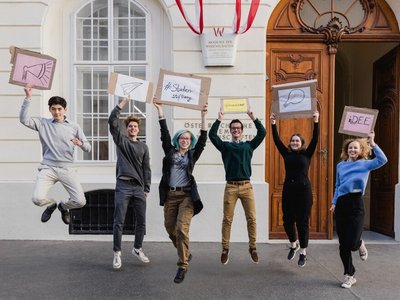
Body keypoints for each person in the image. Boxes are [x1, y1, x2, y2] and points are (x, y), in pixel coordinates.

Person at [19, 86, 91, 225]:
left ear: (65, 110)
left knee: (80, 201)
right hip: (48, 168)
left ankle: (63, 207)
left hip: (66, 168)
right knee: (37, 198)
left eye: (59, 109)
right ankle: (51, 204)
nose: (56, 112)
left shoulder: (74, 127)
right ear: (50, 109)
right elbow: (23, 119)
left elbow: (88, 148)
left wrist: (80, 143)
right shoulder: (42, 123)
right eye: (53, 109)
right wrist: (28, 98)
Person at [154, 98, 208, 284]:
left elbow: (202, 139)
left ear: (189, 141)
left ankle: (182, 265)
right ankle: (186, 252)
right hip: (170, 195)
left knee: (181, 229)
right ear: (178, 140)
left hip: (187, 196)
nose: (185, 141)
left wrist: (203, 115)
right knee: (170, 229)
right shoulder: (170, 151)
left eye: (187, 138)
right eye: (182, 138)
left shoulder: (193, 154)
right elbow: (164, 133)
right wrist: (160, 111)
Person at [209, 108, 266, 265]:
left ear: (242, 130)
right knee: (227, 219)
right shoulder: (225, 146)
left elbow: (262, 133)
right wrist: (219, 119)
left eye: (238, 128)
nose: (236, 130)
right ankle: (225, 248)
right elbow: (212, 136)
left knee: (252, 218)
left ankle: (253, 247)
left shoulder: (249, 146)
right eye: (233, 128)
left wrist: (253, 117)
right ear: (230, 131)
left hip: (247, 186)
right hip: (231, 187)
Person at [330, 132, 387, 288]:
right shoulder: (340, 165)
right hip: (342, 203)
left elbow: (383, 160)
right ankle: (349, 275)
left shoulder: (365, 164)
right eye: (350, 148)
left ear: (360, 150)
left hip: (356, 203)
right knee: (343, 245)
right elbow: (337, 185)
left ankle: (360, 243)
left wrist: (373, 143)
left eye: (355, 148)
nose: (353, 150)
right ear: (346, 150)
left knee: (353, 242)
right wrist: (334, 202)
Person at [270, 111, 319, 267]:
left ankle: (303, 252)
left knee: (302, 222)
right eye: (292, 141)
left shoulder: (307, 154)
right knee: (287, 221)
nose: (295, 142)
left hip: (304, 191)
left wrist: (316, 121)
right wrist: (273, 124)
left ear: (302, 143)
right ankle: (293, 244)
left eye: (297, 141)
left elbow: (316, 139)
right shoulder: (286, 154)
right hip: (289, 191)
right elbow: (277, 141)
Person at [108, 97, 151, 270]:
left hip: (139, 187)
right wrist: (121, 104)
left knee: (141, 221)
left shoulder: (144, 147)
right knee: (119, 220)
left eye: (135, 126)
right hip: (123, 186)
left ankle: (137, 248)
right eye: (130, 126)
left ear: (138, 129)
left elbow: (147, 168)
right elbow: (112, 121)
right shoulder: (121, 141)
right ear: (127, 129)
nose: (133, 128)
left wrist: (146, 187)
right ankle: (117, 253)